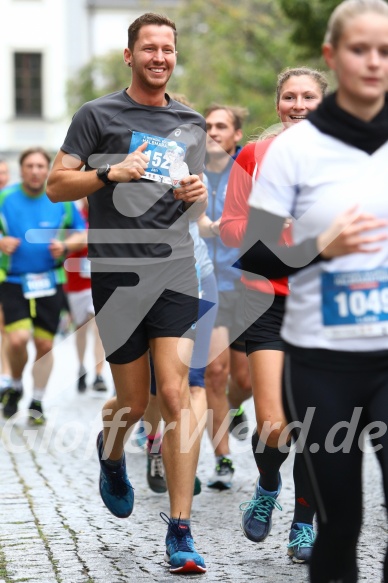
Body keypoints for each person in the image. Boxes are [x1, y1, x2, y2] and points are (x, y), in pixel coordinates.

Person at [47, 13, 208, 574]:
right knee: (133, 404)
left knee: (176, 392)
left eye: (168, 48)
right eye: (149, 48)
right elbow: (55, 185)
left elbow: (194, 204)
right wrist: (109, 173)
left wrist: (197, 192)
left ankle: (181, 530)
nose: (159, 57)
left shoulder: (190, 121)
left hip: (176, 269)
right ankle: (111, 454)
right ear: (130, 55)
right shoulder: (97, 115)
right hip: (117, 274)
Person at [240, 0, 388, 580]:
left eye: (384, 50)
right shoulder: (290, 151)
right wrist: (319, 246)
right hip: (323, 359)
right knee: (340, 524)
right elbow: (253, 251)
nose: (373, 62)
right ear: (333, 55)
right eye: (359, 49)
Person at [220, 67, 328, 563]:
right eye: (290, 96)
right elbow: (228, 228)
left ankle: (304, 523)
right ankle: (267, 484)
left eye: (309, 96)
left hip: (326, 306)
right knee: (272, 423)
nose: (299, 104)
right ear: (279, 102)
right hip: (264, 298)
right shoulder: (255, 155)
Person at [0, 147, 86, 422]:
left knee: (45, 345)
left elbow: (83, 234)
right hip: (13, 280)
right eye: (30, 166)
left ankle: (37, 400)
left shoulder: (61, 199)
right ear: (21, 169)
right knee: (18, 339)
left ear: (48, 169)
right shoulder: (5, 198)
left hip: (51, 279)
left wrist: (64, 245)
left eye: (40, 166)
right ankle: (15, 385)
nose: (35, 171)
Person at [200, 104, 252, 490]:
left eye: (222, 126)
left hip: (247, 285)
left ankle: (235, 407)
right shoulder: (190, 173)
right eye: (207, 126)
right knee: (215, 374)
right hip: (206, 285)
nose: (213, 132)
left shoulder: (251, 173)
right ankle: (223, 460)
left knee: (246, 380)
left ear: (237, 135)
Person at [64, 197, 107, 394]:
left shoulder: (109, 214)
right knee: (80, 328)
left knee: (99, 326)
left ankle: (98, 374)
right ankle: (81, 367)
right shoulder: (72, 215)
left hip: (101, 280)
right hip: (76, 281)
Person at [0, 158, 12, 393]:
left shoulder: (10, 200)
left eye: (4, 173)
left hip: (5, 273)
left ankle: (6, 374)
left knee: (5, 326)